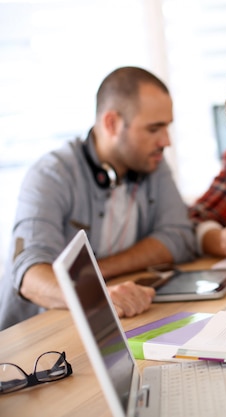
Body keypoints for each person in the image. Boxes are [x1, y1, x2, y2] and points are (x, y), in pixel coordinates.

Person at [0, 66, 197, 330]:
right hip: (40, 338)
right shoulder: (52, 174)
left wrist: (95, 274)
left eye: (167, 127)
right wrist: (91, 291)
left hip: (112, 321)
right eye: (154, 129)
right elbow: (28, 273)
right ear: (111, 124)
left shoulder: (153, 163)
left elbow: (179, 237)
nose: (166, 141)